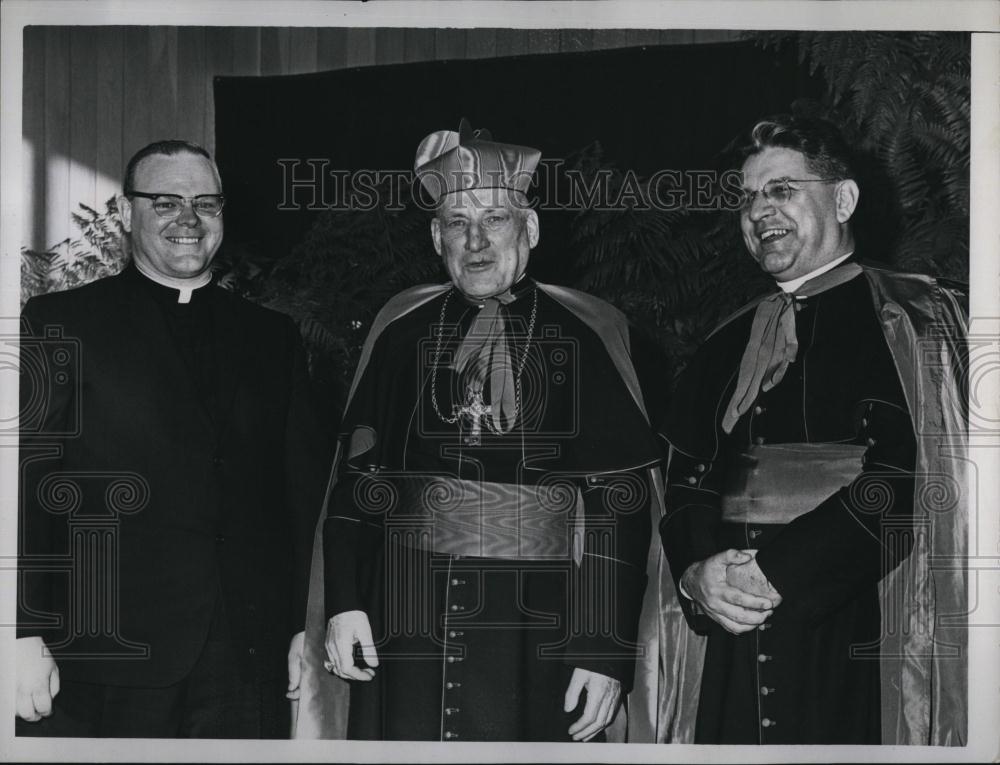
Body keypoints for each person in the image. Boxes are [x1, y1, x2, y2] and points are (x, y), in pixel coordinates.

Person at [293, 120, 662, 742]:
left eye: (495, 219)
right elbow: (359, 480)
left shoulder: (586, 334)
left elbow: (618, 502)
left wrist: (601, 648)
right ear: (436, 236)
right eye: (457, 222)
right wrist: (346, 602)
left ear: (531, 228)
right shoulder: (400, 332)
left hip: (539, 619)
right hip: (404, 615)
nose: (476, 241)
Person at [656, 115, 968, 744]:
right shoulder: (725, 341)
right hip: (730, 636)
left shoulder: (914, 317)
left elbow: (915, 477)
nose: (758, 210)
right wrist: (696, 574)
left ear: (844, 200)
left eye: (782, 189)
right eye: (748, 197)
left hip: (858, 623)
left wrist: (778, 572)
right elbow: (686, 478)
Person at [16, 140, 329, 738]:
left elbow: (302, 493)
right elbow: (24, 487)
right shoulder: (61, 323)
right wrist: (20, 630)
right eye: (165, 202)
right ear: (126, 212)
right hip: (105, 654)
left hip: (245, 657)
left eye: (205, 203)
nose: (189, 218)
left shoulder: (273, 337)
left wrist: (303, 625)